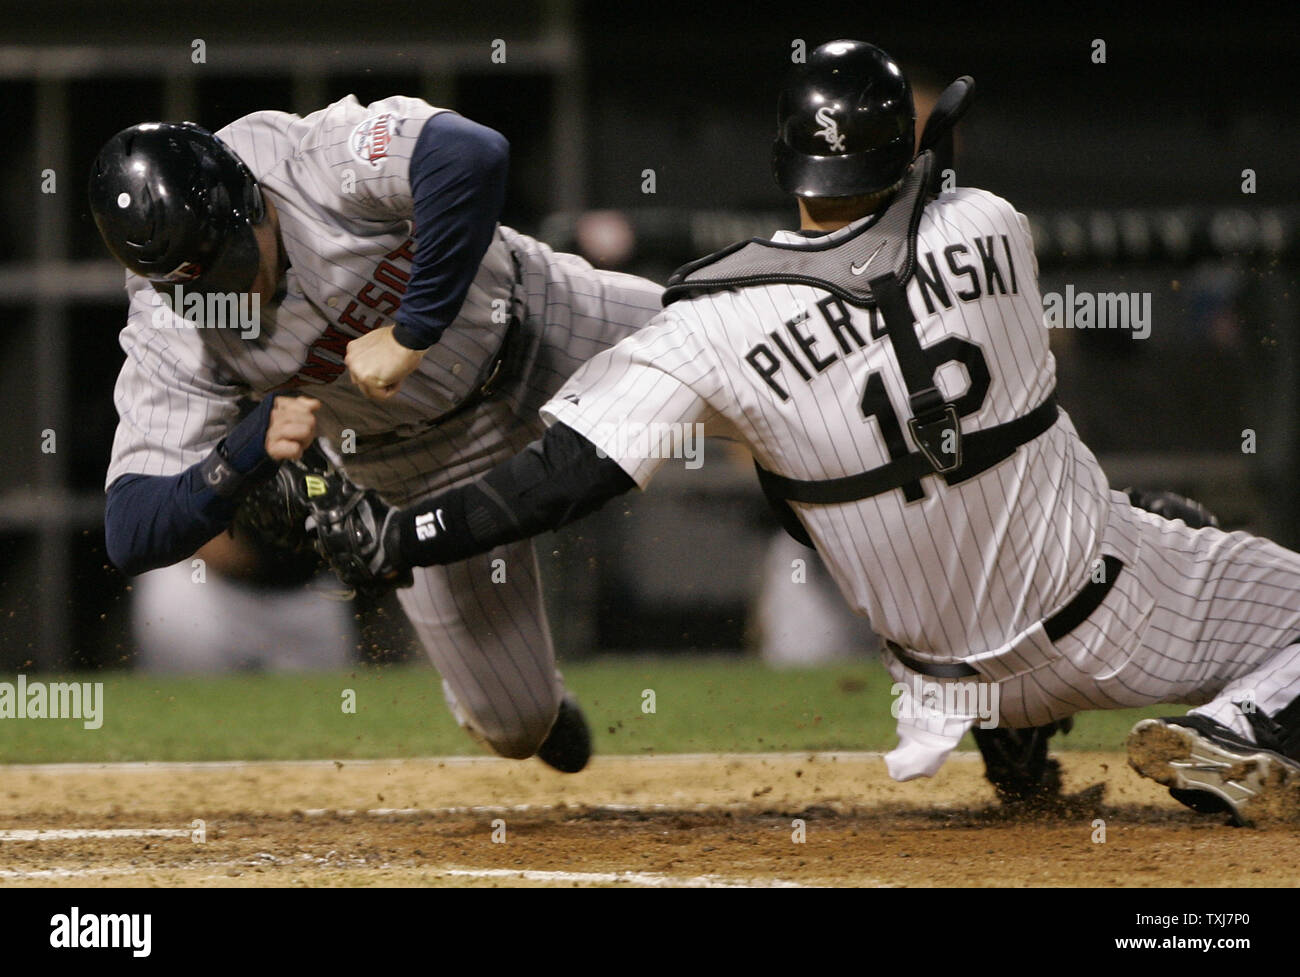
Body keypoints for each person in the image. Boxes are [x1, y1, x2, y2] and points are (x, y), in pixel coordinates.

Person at [298, 42, 1300, 826]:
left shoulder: (701, 320)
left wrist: (404, 538)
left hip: (933, 671)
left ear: (789, 164)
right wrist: (921, 154)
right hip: (1107, 619)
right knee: (1148, 529)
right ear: (905, 154)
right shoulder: (995, 222)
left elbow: (561, 479)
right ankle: (1233, 723)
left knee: (1099, 523)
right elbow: (916, 242)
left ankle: (1013, 728)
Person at [89, 94, 666, 771]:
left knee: (733, 354)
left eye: (232, 266)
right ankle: (527, 707)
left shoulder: (308, 158)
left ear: (249, 200)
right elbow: (130, 529)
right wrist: (245, 447)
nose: (229, 295)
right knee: (518, 727)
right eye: (198, 289)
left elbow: (470, 152)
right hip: (420, 466)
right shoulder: (173, 324)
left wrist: (413, 329)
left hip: (544, 322)